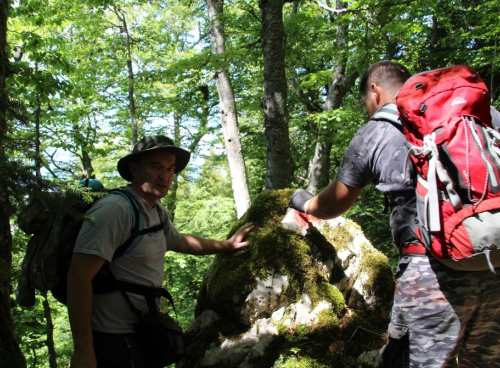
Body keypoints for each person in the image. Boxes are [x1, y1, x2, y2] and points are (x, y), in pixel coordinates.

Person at [289, 61, 500, 367]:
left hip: (431, 271)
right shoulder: (481, 115)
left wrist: (304, 203)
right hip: (494, 260)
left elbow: (334, 204)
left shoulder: (377, 130)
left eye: (365, 102)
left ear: (374, 90)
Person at [67, 135, 253, 368]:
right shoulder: (115, 211)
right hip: (110, 338)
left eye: (170, 169)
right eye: (156, 167)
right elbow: (78, 277)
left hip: (142, 332)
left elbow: (179, 241)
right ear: (134, 169)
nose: (164, 176)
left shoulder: (154, 209)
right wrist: (83, 350)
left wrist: (226, 245)